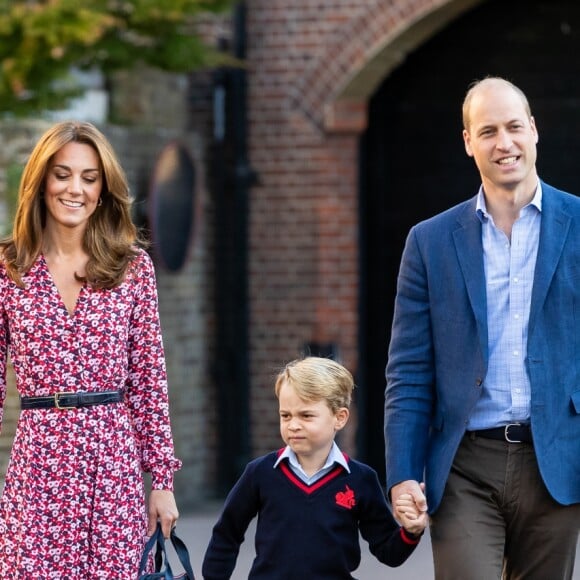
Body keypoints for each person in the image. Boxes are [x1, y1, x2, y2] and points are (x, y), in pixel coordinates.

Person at [384, 76, 580, 579]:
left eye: (514, 126)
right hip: (465, 464)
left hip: (556, 459)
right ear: (469, 141)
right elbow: (408, 371)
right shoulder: (429, 243)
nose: (504, 142)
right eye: (488, 130)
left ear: (534, 130)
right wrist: (403, 475)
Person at [0, 121, 182, 577]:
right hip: (38, 461)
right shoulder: (9, 267)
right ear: (41, 181)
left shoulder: (132, 267)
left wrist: (161, 482)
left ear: (103, 189)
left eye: (89, 177)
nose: (74, 188)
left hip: (111, 459)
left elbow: (148, 380)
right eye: (62, 174)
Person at [203, 356, 427, 579]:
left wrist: (411, 531)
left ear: (339, 418)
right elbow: (227, 533)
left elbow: (388, 552)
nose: (293, 425)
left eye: (306, 415)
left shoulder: (362, 480)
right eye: (286, 415)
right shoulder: (259, 473)